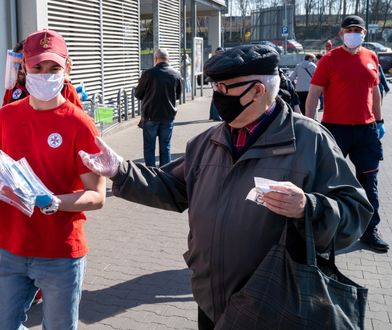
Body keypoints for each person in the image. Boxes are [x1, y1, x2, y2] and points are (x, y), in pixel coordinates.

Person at [79, 44, 373, 329]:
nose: (218, 97)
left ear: (257, 90)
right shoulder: (207, 142)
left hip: (272, 303)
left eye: (225, 88)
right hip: (210, 298)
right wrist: (120, 170)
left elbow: (355, 212)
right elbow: (172, 187)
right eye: (216, 88)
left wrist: (308, 207)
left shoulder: (310, 140)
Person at [0, 29, 106, 329]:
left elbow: (97, 196)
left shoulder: (79, 124)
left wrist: (57, 202)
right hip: (9, 248)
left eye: (53, 68)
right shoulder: (5, 117)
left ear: (67, 67)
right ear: (24, 68)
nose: (45, 75)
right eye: (37, 67)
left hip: (59, 253)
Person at [305, 15, 389, 252]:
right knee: (329, 181)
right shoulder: (329, 60)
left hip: (366, 131)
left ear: (364, 33)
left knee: (369, 180)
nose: (354, 33)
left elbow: (375, 91)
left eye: (358, 30)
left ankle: (370, 229)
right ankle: (325, 229)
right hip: (336, 130)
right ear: (341, 34)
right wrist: (311, 126)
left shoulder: (371, 57)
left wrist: (379, 120)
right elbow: (313, 95)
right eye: (349, 29)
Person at [135, 48, 182, 167]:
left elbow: (138, 94)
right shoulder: (176, 74)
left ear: (155, 59)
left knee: (149, 148)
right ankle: (165, 174)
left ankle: (150, 175)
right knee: (165, 147)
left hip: (150, 116)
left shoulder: (148, 74)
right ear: (168, 59)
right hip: (168, 116)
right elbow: (177, 95)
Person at [2, 41, 83, 108]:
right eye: (17, 65)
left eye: (23, 65)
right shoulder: (13, 88)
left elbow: (78, 120)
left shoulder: (65, 89)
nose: (21, 70)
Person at [209, 47, 225, 121]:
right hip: (216, 81)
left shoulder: (213, 60)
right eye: (220, 52)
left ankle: (212, 115)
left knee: (215, 98)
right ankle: (216, 116)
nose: (221, 54)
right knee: (217, 98)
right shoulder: (216, 60)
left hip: (215, 80)